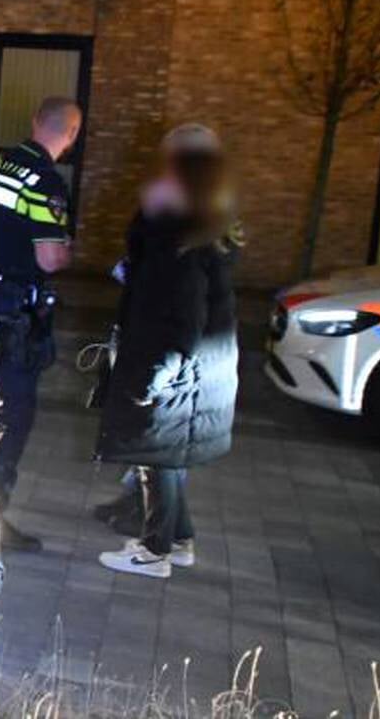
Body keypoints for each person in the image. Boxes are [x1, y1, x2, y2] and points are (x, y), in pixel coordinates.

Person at [95, 125, 240, 578]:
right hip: (196, 372)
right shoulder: (204, 224)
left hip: (176, 370)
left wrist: (152, 379)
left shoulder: (178, 236)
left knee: (154, 457)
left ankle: (154, 551)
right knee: (167, 459)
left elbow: (183, 319)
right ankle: (179, 540)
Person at [0, 96, 83, 552]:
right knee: (16, 410)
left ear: (34, 121)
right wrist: (67, 249)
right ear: (70, 134)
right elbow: (49, 256)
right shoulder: (47, 183)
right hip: (10, 306)